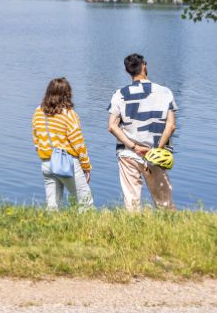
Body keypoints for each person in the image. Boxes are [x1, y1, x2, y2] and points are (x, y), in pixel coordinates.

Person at [107, 54, 178, 211]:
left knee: (132, 201)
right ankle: (170, 231)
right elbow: (171, 125)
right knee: (164, 203)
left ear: (127, 71)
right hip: (157, 155)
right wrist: (156, 151)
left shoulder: (119, 94)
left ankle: (134, 232)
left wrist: (134, 147)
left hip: (128, 154)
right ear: (144, 67)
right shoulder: (165, 92)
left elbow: (112, 126)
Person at [33, 77, 93, 210]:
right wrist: (86, 165)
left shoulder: (38, 111)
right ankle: (87, 230)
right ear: (67, 94)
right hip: (66, 162)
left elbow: (36, 139)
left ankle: (53, 229)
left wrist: (44, 154)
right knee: (85, 201)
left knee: (53, 206)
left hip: (46, 162)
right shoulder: (69, 114)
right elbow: (78, 143)